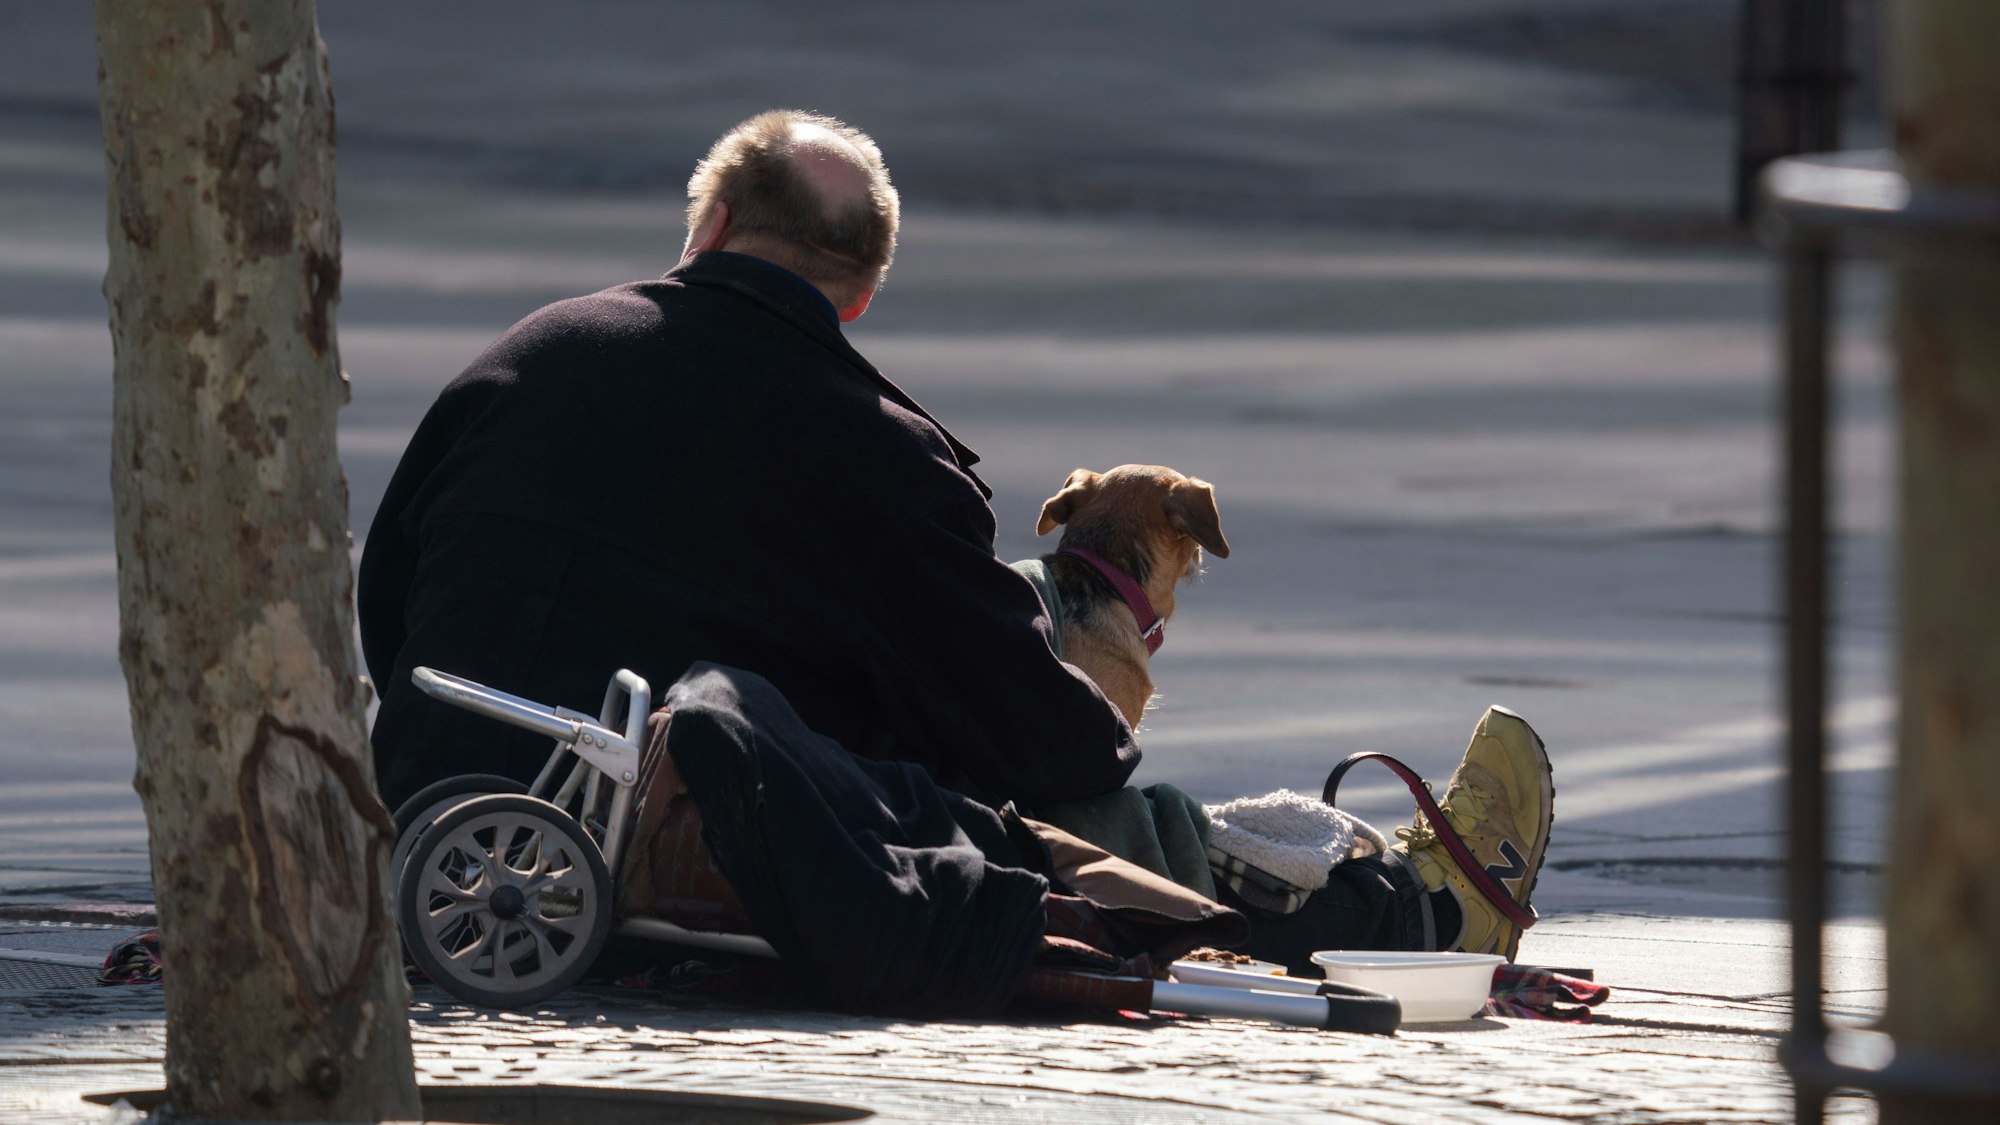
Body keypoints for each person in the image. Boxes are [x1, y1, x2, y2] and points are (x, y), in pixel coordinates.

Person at [359, 109, 1553, 968]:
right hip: (701, 842)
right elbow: (1040, 742)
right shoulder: (883, 451)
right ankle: (1420, 915)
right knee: (1064, 829)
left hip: (441, 808)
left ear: (708, 228)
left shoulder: (522, 357)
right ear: (862, 292)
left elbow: (389, 599)